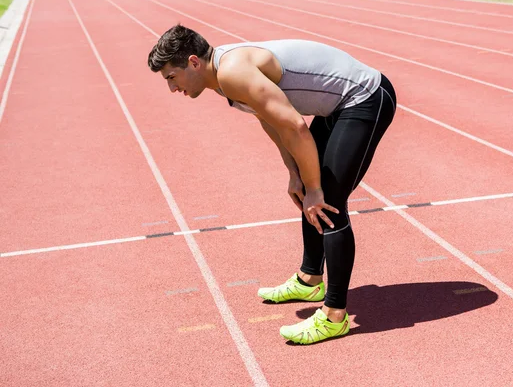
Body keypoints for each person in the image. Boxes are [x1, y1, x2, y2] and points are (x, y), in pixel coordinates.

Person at [148, 24, 397, 344]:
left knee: (328, 203)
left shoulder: (233, 73)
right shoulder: (222, 78)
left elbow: (295, 125)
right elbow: (268, 117)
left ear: (194, 62)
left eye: (172, 77)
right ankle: (310, 279)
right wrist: (294, 173)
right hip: (336, 105)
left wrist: (315, 189)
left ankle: (335, 315)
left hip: (365, 96)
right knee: (309, 188)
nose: (172, 88)